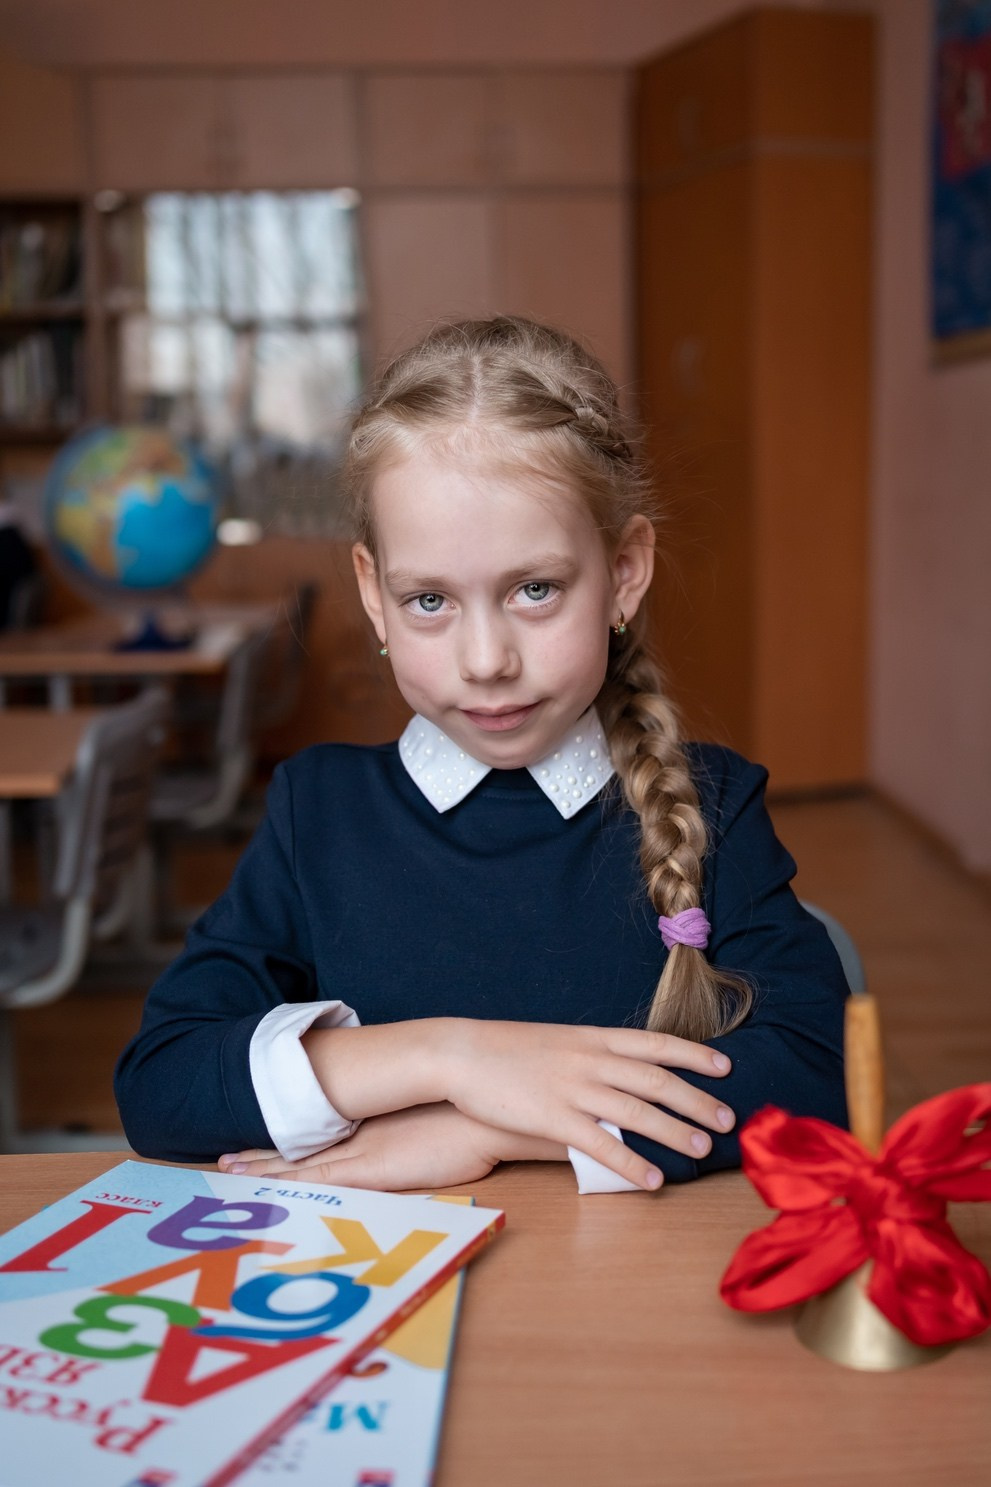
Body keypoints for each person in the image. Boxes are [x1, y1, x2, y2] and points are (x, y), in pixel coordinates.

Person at [114, 315, 847, 1194]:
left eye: (534, 589)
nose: (486, 659)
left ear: (623, 572)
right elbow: (163, 1081)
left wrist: (488, 1126)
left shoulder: (714, 803)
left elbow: (820, 1073)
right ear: (373, 593)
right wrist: (453, 1057)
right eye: (428, 600)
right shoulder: (319, 812)